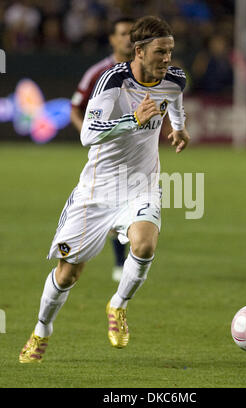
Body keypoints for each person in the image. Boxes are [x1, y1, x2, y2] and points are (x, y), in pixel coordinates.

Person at [19, 15, 190, 363]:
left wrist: (179, 128)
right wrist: (133, 119)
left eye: (170, 51)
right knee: (68, 274)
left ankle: (118, 305)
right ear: (139, 51)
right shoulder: (112, 81)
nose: (167, 59)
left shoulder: (174, 78)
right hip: (98, 190)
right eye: (160, 52)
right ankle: (41, 330)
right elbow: (88, 135)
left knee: (144, 243)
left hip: (141, 185)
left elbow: (175, 100)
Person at [70, 17, 134, 283]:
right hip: (106, 154)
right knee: (111, 205)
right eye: (123, 33)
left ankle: (124, 262)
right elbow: (75, 107)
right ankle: (117, 263)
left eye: (133, 33)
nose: (128, 38)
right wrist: (90, 134)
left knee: (130, 205)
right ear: (112, 38)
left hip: (134, 153)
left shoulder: (144, 71)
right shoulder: (98, 72)